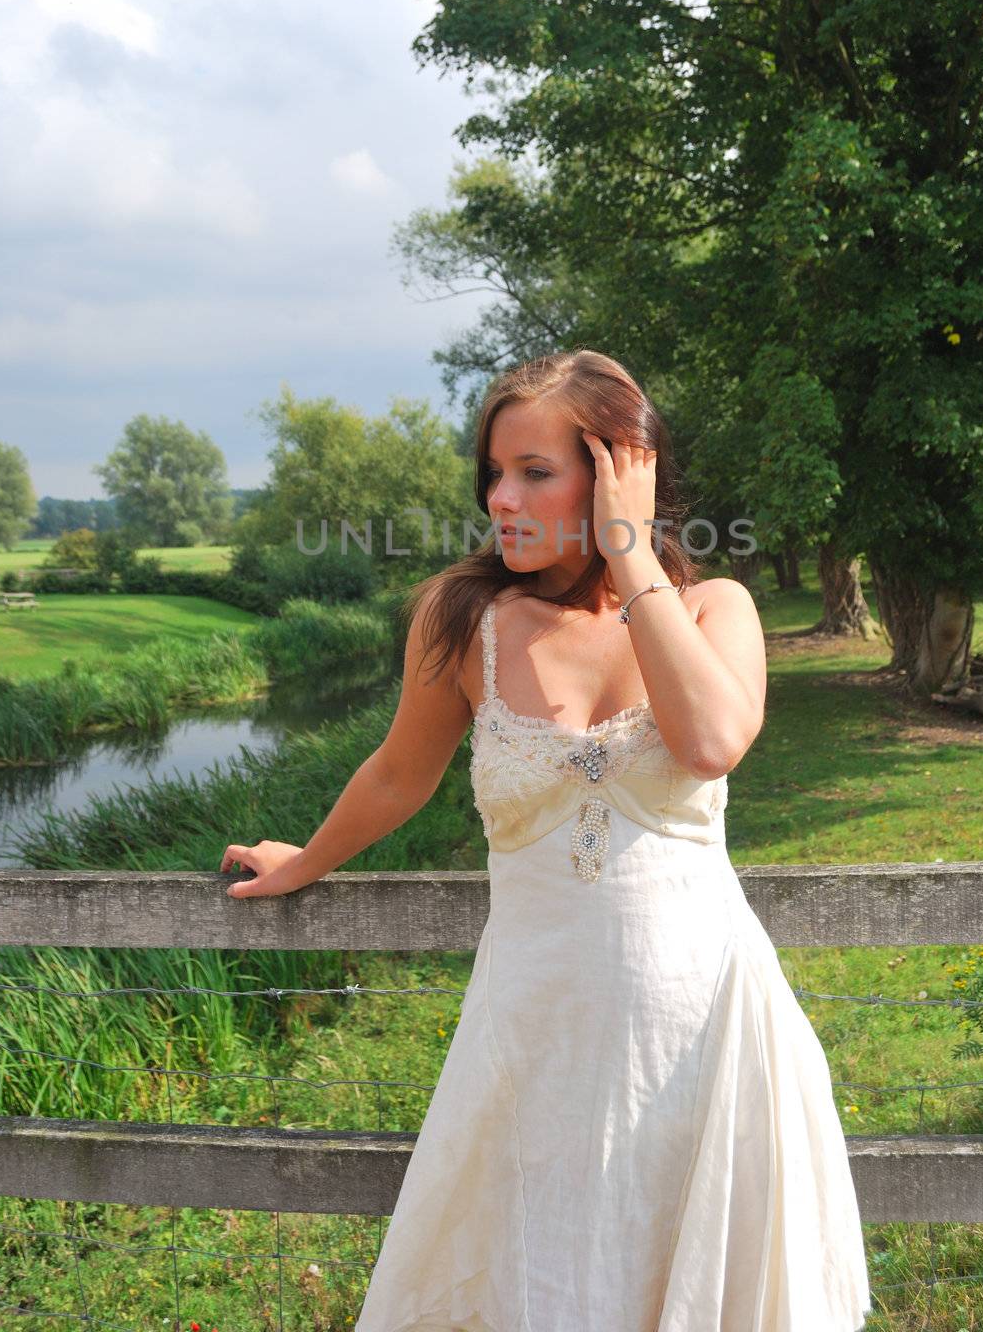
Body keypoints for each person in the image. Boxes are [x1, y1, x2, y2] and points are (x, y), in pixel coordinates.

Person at [220, 348, 873, 1330]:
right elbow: (401, 771)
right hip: (536, 1047)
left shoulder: (713, 609)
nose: (502, 499)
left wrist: (628, 551)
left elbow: (709, 741)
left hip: (708, 1044)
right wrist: (306, 861)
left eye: (535, 471)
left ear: (621, 467)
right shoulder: (464, 620)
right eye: (494, 472)